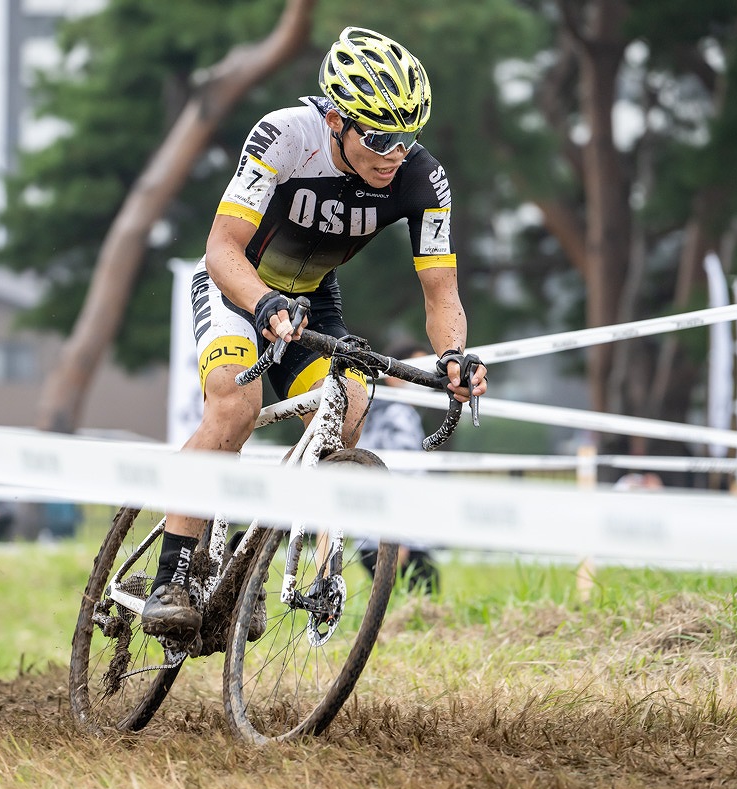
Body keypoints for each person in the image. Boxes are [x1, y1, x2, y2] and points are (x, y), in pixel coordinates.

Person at [140, 27, 487, 639]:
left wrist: (454, 357)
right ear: (335, 121)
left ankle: (263, 556)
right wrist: (263, 301)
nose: (394, 154)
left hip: (312, 300)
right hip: (236, 285)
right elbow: (221, 249)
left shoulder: (422, 179)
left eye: (407, 137)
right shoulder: (284, 137)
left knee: (348, 412)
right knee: (234, 405)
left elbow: (442, 293)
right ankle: (173, 573)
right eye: (379, 136)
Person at [355, 340, 441, 595]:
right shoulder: (398, 415)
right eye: (416, 371)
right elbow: (398, 476)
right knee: (425, 599)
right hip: (398, 538)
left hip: (370, 535)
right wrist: (397, 536)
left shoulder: (375, 412)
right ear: (394, 377)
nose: (423, 379)